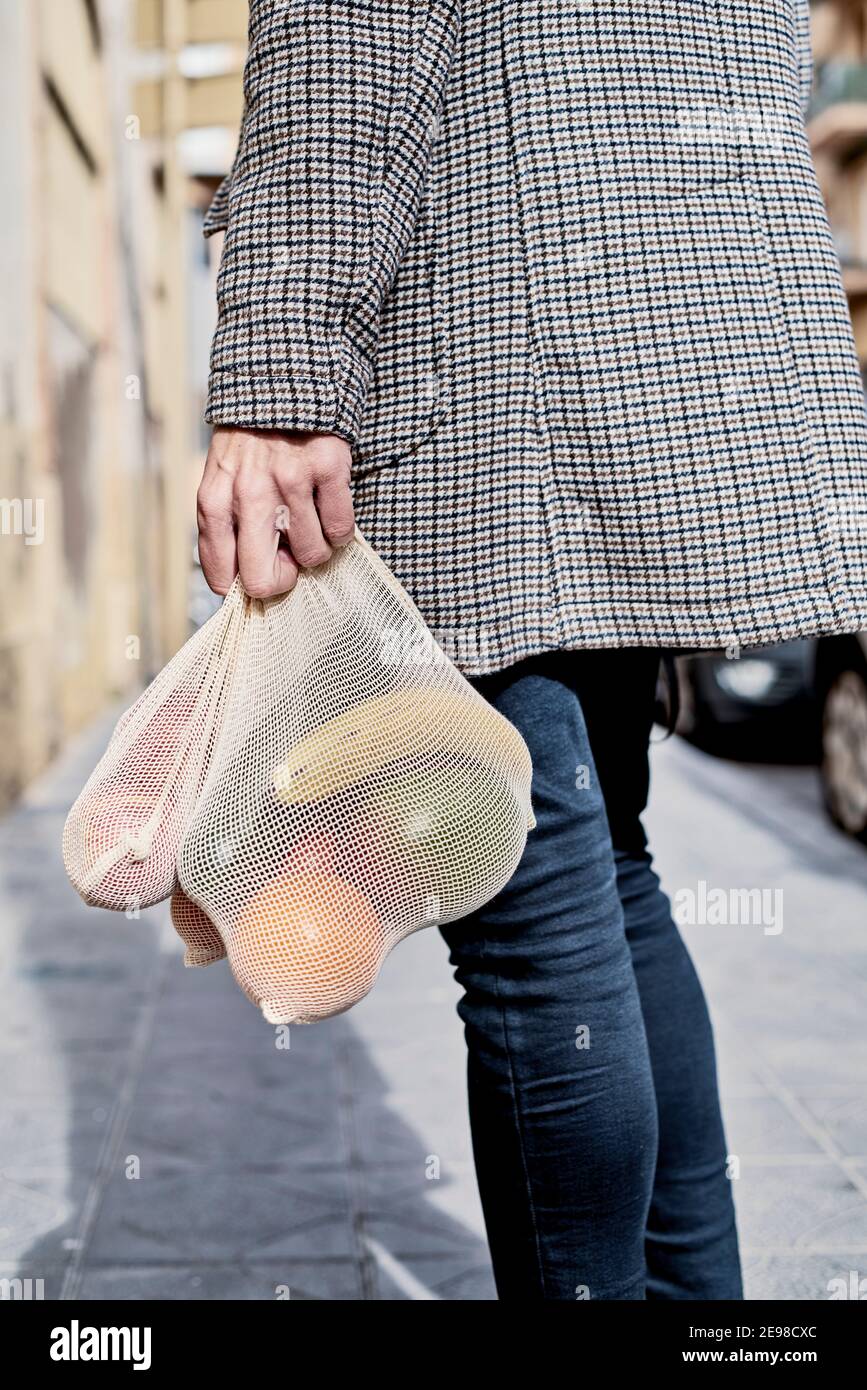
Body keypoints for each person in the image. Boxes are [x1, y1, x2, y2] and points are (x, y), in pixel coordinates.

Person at [196, 1, 867, 1299]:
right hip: (664, 306)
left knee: (533, 908)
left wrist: (281, 367)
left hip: (502, 338)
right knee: (600, 865)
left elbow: (349, 21)